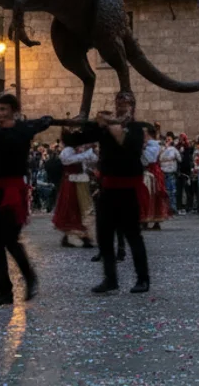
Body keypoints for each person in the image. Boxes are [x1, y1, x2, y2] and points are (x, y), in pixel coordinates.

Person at [64, 91, 152, 295]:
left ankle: (143, 278)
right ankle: (110, 278)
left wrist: (112, 125)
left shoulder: (137, 129)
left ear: (133, 106)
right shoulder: (103, 129)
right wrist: (70, 125)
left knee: (133, 236)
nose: (121, 106)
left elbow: (130, 147)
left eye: (126, 103)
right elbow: (74, 140)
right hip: (107, 189)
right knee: (104, 235)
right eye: (119, 102)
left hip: (128, 190)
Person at [0, 93, 54, 305]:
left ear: (13, 111)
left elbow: (33, 128)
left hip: (13, 190)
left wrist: (44, 121)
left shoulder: (22, 130)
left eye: (3, 109)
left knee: (10, 238)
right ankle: (3, 291)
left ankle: (29, 276)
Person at [53, 142, 97, 247]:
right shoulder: (68, 150)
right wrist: (86, 153)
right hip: (71, 183)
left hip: (82, 182)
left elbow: (93, 161)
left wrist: (89, 151)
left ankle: (83, 235)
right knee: (72, 208)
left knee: (85, 209)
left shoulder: (83, 150)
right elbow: (66, 160)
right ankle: (74, 236)